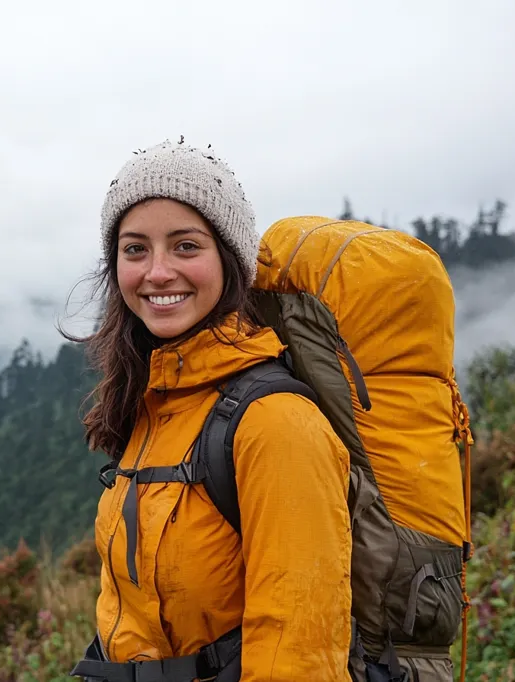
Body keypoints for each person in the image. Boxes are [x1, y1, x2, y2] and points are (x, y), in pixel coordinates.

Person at [64, 138, 354, 681]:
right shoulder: (153, 404)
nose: (157, 272)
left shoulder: (275, 422)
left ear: (229, 259)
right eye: (135, 249)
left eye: (185, 246)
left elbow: (297, 648)